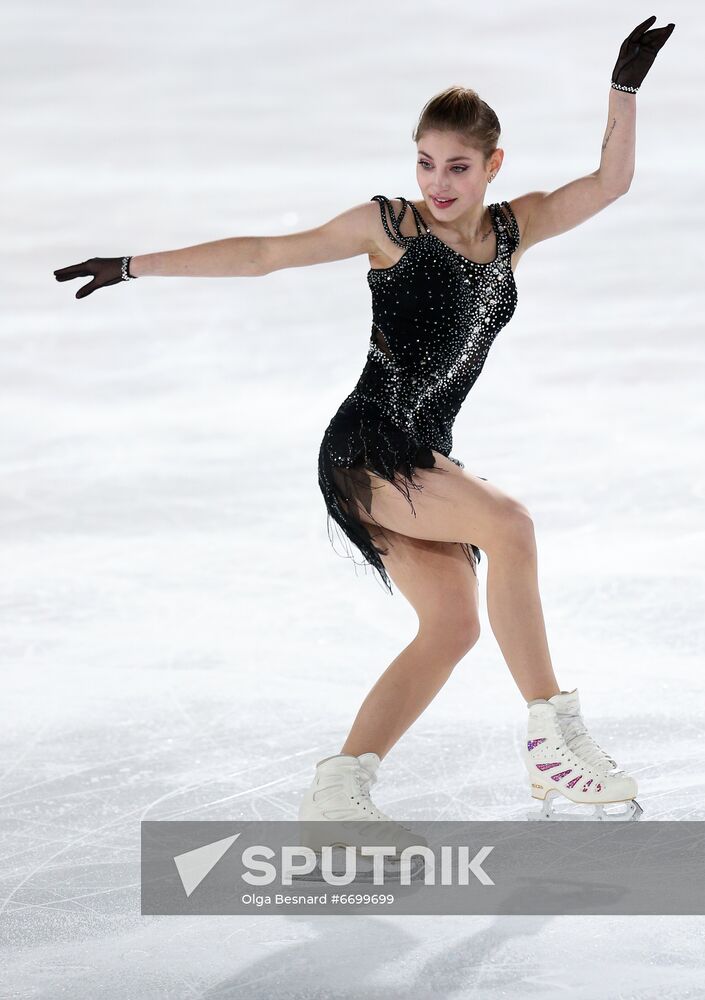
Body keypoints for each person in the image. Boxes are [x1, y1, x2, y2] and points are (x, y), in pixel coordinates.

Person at [54, 17, 674, 833]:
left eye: (457, 166)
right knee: (512, 527)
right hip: (364, 450)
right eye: (425, 162)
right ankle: (552, 739)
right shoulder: (389, 227)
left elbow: (608, 183)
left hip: (419, 454)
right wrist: (135, 264)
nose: (438, 181)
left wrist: (621, 92)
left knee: (451, 626)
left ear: (492, 165)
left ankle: (337, 792)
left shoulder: (512, 230)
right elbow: (265, 254)